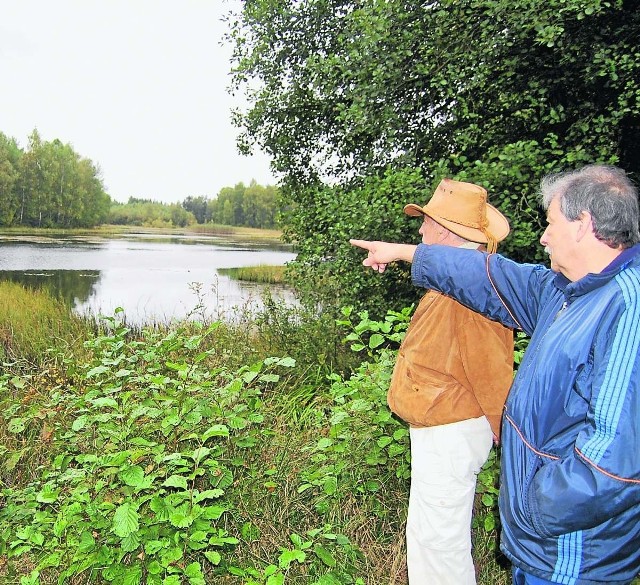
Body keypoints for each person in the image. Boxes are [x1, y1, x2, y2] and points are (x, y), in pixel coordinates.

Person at [350, 164, 640, 585]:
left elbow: (614, 463)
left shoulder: (626, 309)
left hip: (569, 547)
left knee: (439, 535)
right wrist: (405, 253)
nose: (543, 237)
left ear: (583, 225)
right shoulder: (567, 290)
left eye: (551, 223)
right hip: (541, 540)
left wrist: (533, 504)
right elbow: (492, 277)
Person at [371, 178, 515, 584]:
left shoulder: (473, 292)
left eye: (427, 222)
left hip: (453, 427)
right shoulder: (459, 281)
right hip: (443, 422)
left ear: (448, 232)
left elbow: (492, 370)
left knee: (439, 538)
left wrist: (506, 433)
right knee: (430, 533)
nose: (420, 231)